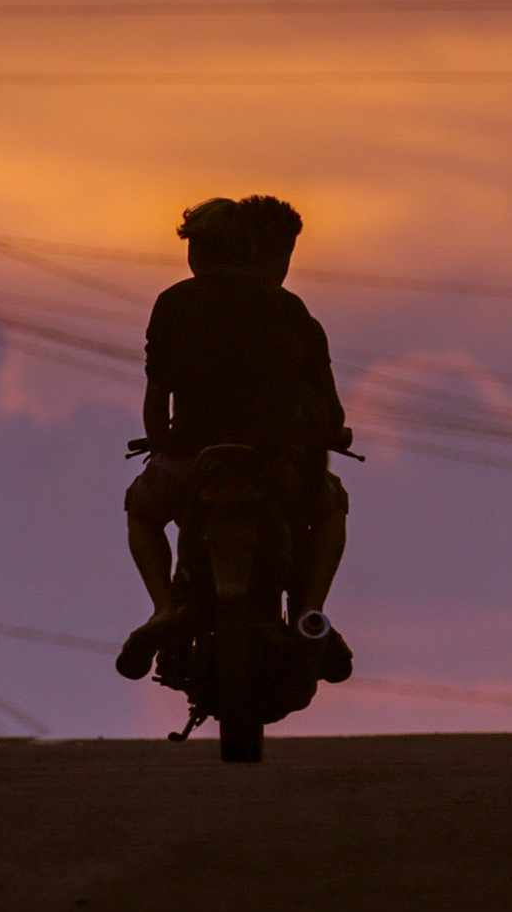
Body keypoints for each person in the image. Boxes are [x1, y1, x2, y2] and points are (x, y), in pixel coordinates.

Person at [119, 194, 355, 683]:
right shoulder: (288, 309)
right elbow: (329, 411)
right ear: (248, 250)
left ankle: (163, 609)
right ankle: (311, 614)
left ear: (198, 251)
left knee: (141, 512)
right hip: (274, 467)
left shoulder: (173, 303)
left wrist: (162, 446)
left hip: (191, 463)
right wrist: (328, 432)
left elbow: (156, 399)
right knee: (331, 510)